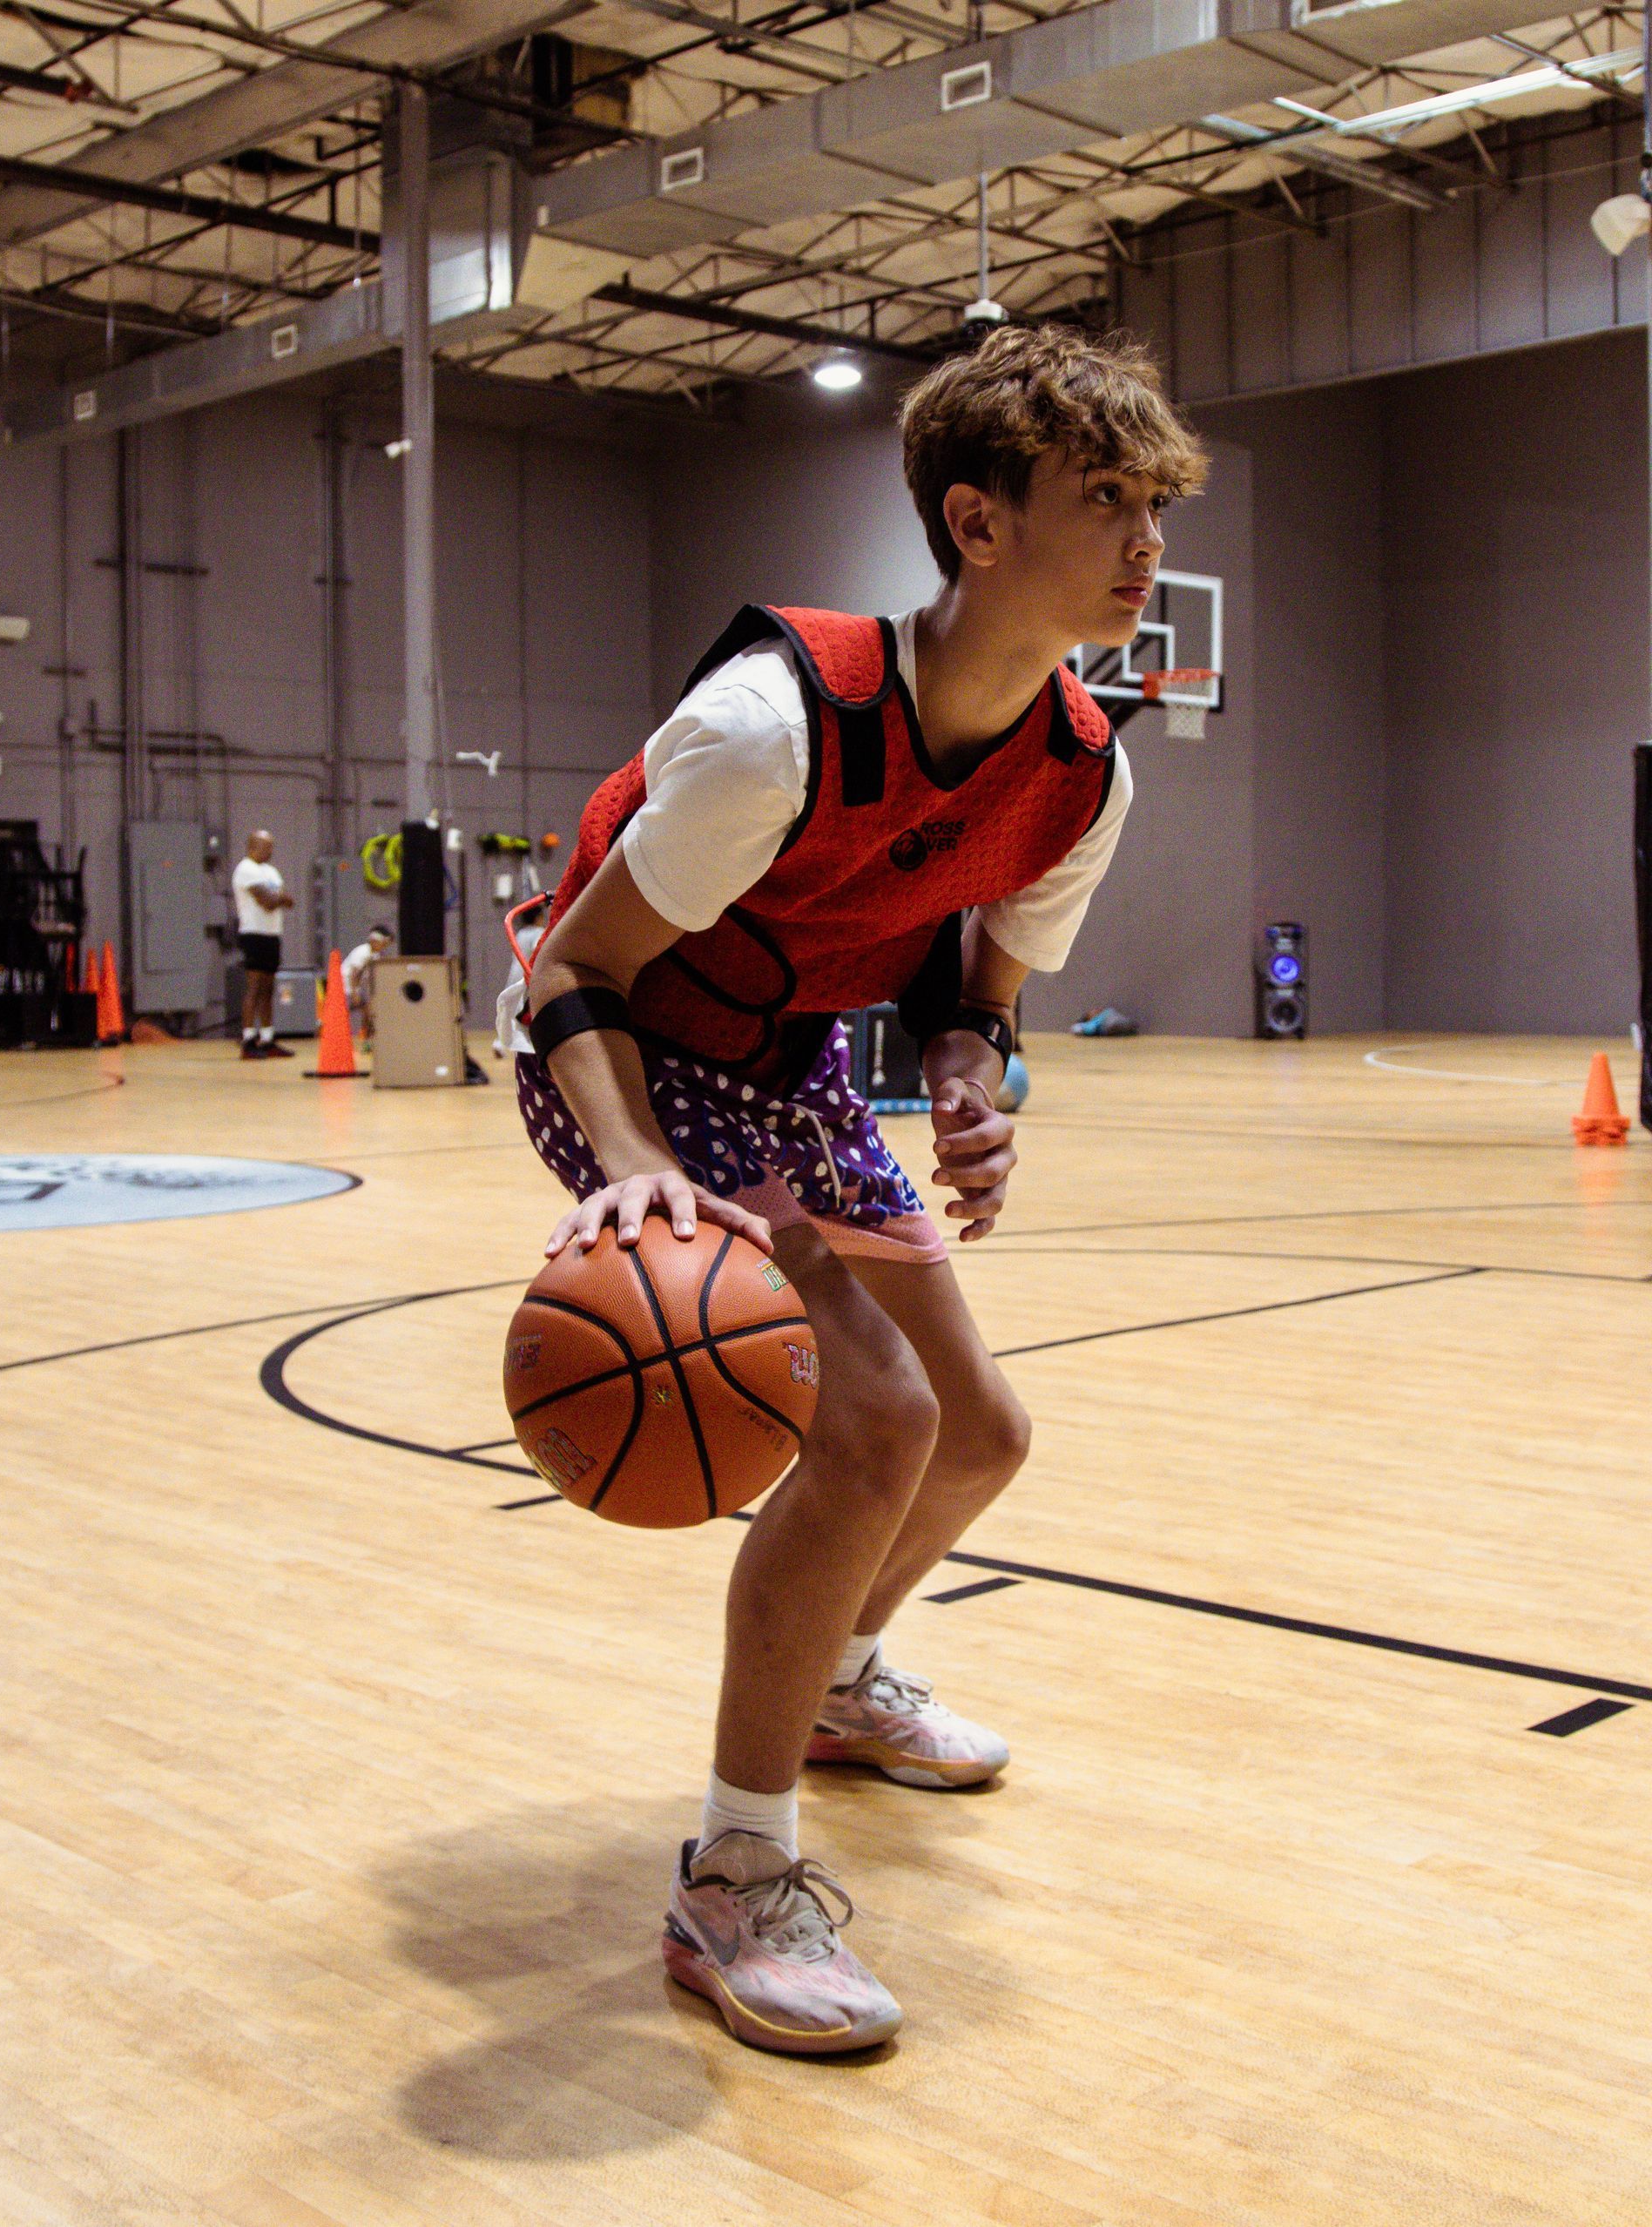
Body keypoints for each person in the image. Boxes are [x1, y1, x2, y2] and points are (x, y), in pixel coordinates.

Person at [503, 325, 1207, 2055]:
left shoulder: (1083, 772)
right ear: (978, 524)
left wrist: (974, 1082)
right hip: (628, 1049)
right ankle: (735, 1872)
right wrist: (642, 1179)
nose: (1145, 542)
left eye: (1156, 506)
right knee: (878, 1420)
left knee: (980, 1433)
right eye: (1106, 500)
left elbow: (979, 1002)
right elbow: (572, 967)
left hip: (792, 1056)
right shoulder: (774, 723)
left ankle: (830, 1684)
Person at [231, 830, 295, 1060]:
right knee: (255, 987)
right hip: (254, 933)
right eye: (266, 846)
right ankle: (248, 1039)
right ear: (252, 847)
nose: (270, 851)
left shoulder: (271, 872)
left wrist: (279, 898)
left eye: (271, 846)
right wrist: (280, 898)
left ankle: (267, 1038)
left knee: (268, 988)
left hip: (271, 934)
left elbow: (285, 899)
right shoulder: (246, 869)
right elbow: (268, 901)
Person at [341, 925, 394, 1036]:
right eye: (383, 944)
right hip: (346, 986)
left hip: (355, 987)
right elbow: (355, 974)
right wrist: (355, 993)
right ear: (374, 941)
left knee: (368, 1010)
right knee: (342, 1013)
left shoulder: (375, 955)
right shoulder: (362, 952)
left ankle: (367, 1036)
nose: (384, 947)